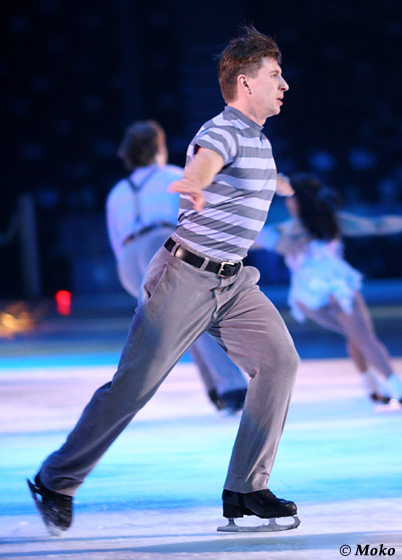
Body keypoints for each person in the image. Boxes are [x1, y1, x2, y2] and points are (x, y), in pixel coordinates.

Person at [28, 25, 300, 535]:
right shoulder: (224, 129)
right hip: (186, 276)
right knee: (133, 387)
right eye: (275, 75)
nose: (284, 84)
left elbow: (246, 181)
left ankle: (246, 487)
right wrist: (193, 181)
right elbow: (206, 160)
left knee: (280, 362)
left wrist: (285, 186)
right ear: (245, 83)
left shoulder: (259, 141)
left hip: (235, 283)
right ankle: (56, 479)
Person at [106, 119, 248, 413]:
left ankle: (217, 388)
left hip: (129, 262)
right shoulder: (173, 175)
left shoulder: (117, 192)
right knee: (197, 312)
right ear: (159, 148)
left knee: (180, 317)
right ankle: (231, 387)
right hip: (160, 243)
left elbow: (116, 240)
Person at [257, 173, 402, 406]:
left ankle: (373, 389)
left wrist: (270, 239)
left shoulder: (288, 229)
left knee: (356, 335)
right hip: (335, 287)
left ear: (298, 200)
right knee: (364, 337)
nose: (287, 202)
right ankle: (396, 388)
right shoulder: (330, 222)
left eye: (289, 197)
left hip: (308, 295)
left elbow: (249, 238)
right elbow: (378, 225)